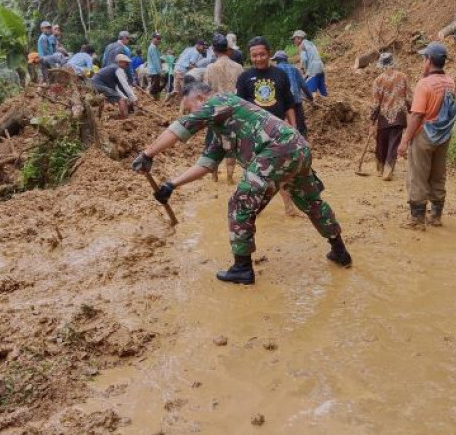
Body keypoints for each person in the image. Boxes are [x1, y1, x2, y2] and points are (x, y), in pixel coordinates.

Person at [131, 82, 353, 284]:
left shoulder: (219, 101)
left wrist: (148, 154)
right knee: (311, 203)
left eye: (191, 108)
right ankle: (340, 251)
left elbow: (181, 127)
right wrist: (171, 185)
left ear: (200, 98)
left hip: (277, 150)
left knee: (240, 204)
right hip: (297, 148)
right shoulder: (220, 128)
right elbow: (206, 164)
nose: (193, 114)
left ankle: (242, 268)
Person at [397, 42, 456, 229]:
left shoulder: (424, 84)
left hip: (424, 134)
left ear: (429, 60)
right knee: (438, 174)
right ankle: (436, 215)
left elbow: (417, 115)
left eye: (424, 58)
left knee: (418, 175)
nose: (423, 62)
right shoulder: (450, 82)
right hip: (444, 135)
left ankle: (417, 219)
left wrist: (405, 141)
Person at [237, 37, 299, 216]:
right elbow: (239, 107)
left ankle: (289, 207)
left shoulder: (280, 74)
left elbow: (288, 103)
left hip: (278, 132)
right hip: (253, 133)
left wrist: (293, 127)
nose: (258, 58)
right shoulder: (244, 78)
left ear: (269, 54)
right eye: (254, 55)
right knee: (253, 173)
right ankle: (251, 208)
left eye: (262, 54)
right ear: (250, 56)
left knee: (282, 170)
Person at [203, 34, 244, 183]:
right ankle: (229, 177)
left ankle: (214, 176)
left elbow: (207, 91)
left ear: (214, 50)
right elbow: (242, 90)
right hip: (233, 110)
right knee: (231, 145)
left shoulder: (210, 68)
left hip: (216, 110)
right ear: (228, 49)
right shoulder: (238, 67)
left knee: (213, 143)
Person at [370, 52, 411, 181]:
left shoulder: (378, 80)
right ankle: (388, 168)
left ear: (381, 65)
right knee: (394, 143)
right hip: (398, 116)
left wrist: (372, 121)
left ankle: (381, 167)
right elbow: (408, 97)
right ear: (393, 62)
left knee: (381, 142)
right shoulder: (403, 77)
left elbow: (376, 103)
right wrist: (411, 110)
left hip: (384, 117)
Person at [271, 50, 313, 138]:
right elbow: (303, 85)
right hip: (296, 100)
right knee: (300, 122)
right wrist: (310, 96)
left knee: (284, 124)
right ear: (286, 60)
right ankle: (303, 138)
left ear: (277, 60)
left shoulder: (274, 71)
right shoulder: (294, 69)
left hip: (282, 102)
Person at [90, 54, 138, 119]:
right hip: (98, 85)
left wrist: (126, 98)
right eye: (126, 63)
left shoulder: (113, 68)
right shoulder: (118, 70)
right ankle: (125, 118)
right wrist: (133, 99)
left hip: (94, 84)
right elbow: (125, 85)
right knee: (121, 100)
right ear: (120, 62)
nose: (128, 65)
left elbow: (116, 88)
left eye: (128, 63)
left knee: (121, 98)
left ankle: (124, 116)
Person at [291, 30, 327, 97]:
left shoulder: (301, 45)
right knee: (323, 91)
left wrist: (302, 68)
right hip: (321, 68)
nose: (294, 41)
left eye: (294, 39)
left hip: (313, 69)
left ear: (299, 38)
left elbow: (304, 59)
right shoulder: (310, 43)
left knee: (310, 92)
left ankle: (314, 106)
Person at [147, 32, 165, 98]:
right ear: (153, 38)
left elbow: (158, 59)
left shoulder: (155, 47)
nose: (159, 40)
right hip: (154, 71)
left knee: (156, 86)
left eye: (160, 38)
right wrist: (160, 71)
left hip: (155, 70)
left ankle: (156, 101)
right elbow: (155, 61)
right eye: (157, 38)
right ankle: (149, 99)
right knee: (154, 87)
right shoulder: (153, 47)